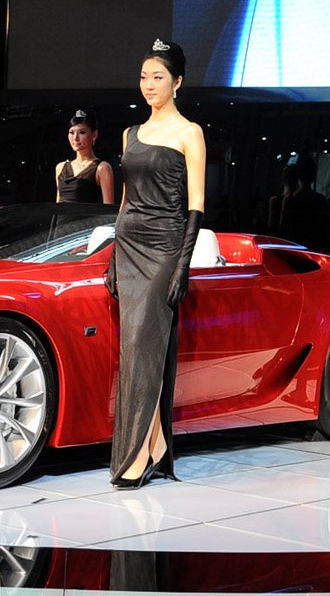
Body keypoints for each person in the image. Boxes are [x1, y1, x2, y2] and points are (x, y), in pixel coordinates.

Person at [105, 38, 206, 489]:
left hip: (165, 247)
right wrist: (113, 256)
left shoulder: (189, 132)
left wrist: (182, 265)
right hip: (129, 247)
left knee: (142, 346)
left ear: (177, 82)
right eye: (144, 76)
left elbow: (196, 204)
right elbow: (125, 202)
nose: (149, 84)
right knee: (135, 349)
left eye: (158, 77)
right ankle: (154, 443)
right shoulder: (131, 134)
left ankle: (137, 455)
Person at [55, 110, 115, 203]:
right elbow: (58, 203)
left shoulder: (102, 168)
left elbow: (108, 207)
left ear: (94, 135)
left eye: (82, 132)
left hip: (88, 213)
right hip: (60, 213)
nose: (75, 138)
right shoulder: (60, 167)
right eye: (71, 132)